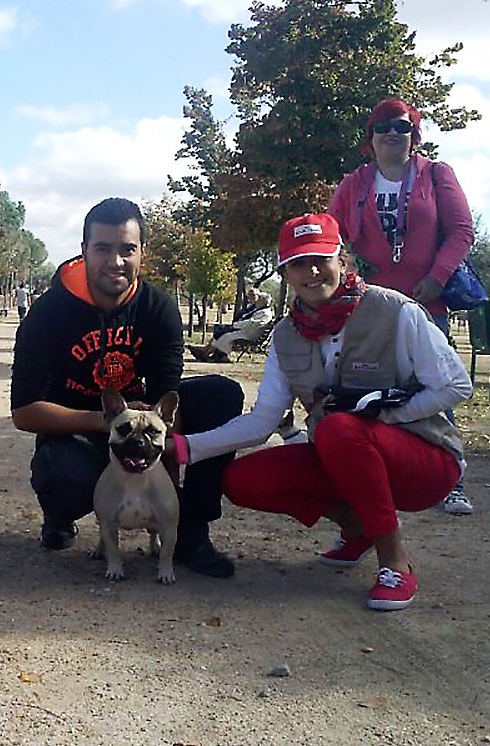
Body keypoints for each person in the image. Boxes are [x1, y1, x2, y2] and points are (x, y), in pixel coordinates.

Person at [168, 214, 471, 610]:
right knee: (243, 479)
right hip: (345, 454)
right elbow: (263, 422)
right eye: (297, 263)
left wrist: (386, 415)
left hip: (425, 461)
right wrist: (183, 446)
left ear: (342, 260)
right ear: (285, 274)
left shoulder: (397, 311)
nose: (311, 271)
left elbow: (455, 386)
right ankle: (356, 527)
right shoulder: (285, 334)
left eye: (320, 258)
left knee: (338, 429)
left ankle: (394, 562)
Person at [10, 197, 245, 578]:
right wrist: (104, 421)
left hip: (142, 420)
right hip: (81, 430)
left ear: (142, 254)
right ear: (84, 251)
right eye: (103, 248)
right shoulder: (48, 312)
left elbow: (171, 396)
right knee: (62, 473)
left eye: (127, 249)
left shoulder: (158, 308)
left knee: (223, 394)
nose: (115, 261)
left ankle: (190, 530)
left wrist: (164, 483)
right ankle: (59, 514)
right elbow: (24, 412)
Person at [328, 96, 475, 516]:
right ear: (370, 139)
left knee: (436, 388)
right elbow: (333, 235)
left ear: (415, 135)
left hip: (427, 302)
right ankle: (376, 472)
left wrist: (438, 277)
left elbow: (462, 230)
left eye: (403, 126)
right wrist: (345, 268)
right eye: (383, 127)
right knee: (367, 386)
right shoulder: (354, 183)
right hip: (370, 307)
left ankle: (452, 477)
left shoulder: (437, 175)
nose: (393, 133)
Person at [187, 288, 275, 363]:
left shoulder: (265, 313)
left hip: (250, 335)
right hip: (245, 331)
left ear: (263, 301)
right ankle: (207, 352)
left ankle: (215, 354)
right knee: (222, 331)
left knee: (226, 335)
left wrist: (235, 325)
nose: (257, 301)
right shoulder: (261, 310)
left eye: (259, 299)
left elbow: (251, 323)